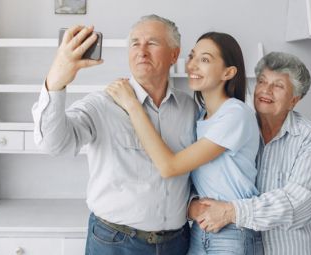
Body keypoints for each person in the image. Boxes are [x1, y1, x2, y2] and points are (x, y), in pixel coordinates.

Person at [32, 15, 195, 255]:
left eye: (152, 43)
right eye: (135, 43)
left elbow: (197, 170)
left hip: (177, 243)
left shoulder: (190, 108)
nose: (142, 51)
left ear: (174, 54)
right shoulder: (101, 104)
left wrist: (195, 202)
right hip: (114, 244)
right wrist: (56, 80)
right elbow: (52, 144)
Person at [106, 32, 261, 255]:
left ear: (228, 72)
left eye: (205, 59)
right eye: (192, 56)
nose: (192, 65)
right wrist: (191, 205)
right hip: (201, 230)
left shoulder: (235, 114)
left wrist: (132, 105)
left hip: (232, 232)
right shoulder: (199, 115)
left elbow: (170, 166)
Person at [188, 52, 311, 255]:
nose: (266, 90)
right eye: (262, 81)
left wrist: (231, 211)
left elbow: (297, 204)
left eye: (278, 86)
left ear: (294, 100)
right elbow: (212, 173)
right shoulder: (239, 125)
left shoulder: (307, 135)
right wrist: (193, 204)